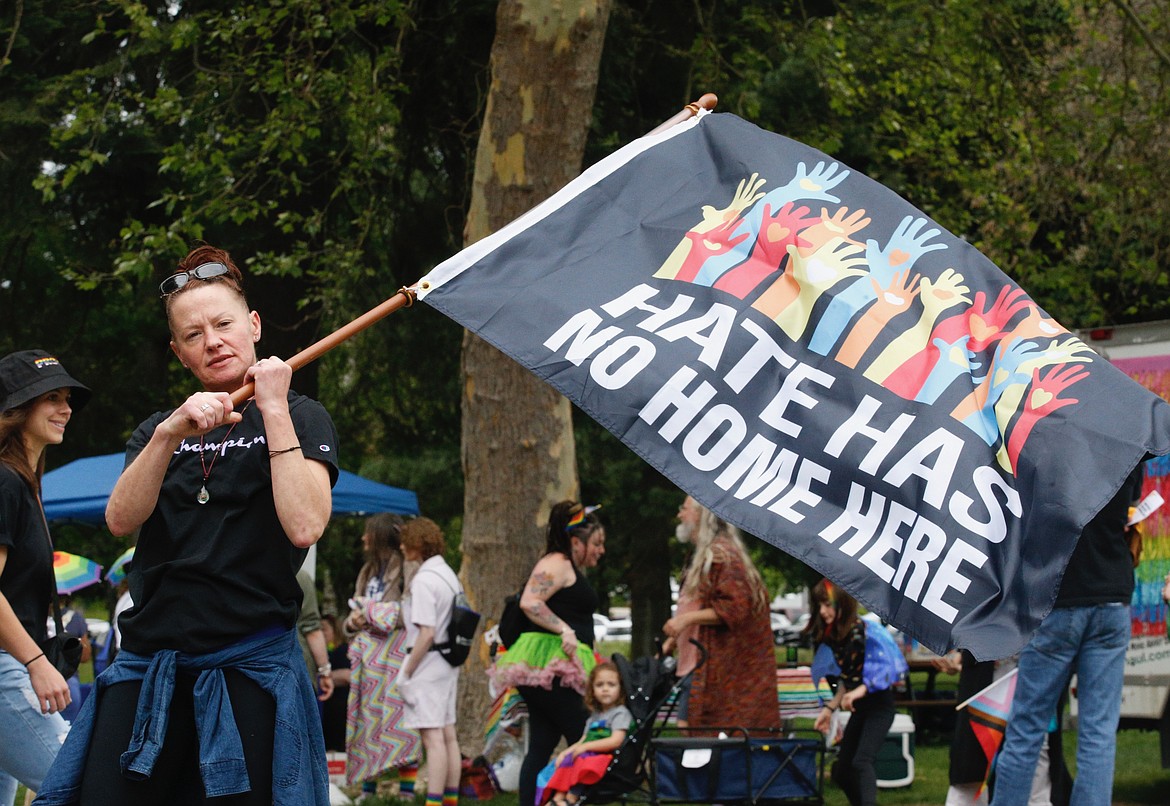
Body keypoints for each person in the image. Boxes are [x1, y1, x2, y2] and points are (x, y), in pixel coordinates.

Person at [35, 246, 340, 805]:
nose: (213, 341)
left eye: (223, 324)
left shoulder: (301, 415)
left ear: (252, 325)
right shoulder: (160, 429)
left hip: (247, 666)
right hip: (149, 663)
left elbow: (304, 525)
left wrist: (271, 407)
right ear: (179, 353)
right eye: (193, 334)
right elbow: (121, 521)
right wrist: (167, 433)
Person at [991, 463, 1144, 806]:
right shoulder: (1128, 440)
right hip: (1111, 597)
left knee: (1026, 728)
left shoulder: (1048, 440)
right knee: (1098, 733)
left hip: (1057, 597)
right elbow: (1130, 508)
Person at [0, 349, 89, 805]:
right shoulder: (5, 482)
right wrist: (36, 663)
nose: (66, 408)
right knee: (78, 788)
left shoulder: (25, 482)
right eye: (51, 397)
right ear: (15, 410)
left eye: (68, 397)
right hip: (5, 668)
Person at [489, 501, 606, 806]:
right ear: (575, 541)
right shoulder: (557, 563)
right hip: (548, 667)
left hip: (554, 668)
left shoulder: (566, 566)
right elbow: (530, 602)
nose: (600, 550)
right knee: (586, 735)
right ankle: (578, 799)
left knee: (542, 743)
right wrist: (564, 630)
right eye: (597, 543)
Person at [661, 495, 778, 734]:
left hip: (712, 667)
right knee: (688, 731)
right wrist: (675, 638)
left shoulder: (723, 556)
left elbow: (736, 607)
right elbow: (696, 604)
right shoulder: (702, 556)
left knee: (699, 734)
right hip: (695, 661)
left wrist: (685, 620)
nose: (679, 515)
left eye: (684, 509)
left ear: (702, 514)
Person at [343, 513, 420, 800]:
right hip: (368, 658)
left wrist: (373, 613)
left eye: (368, 533)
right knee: (368, 721)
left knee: (400, 720)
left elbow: (411, 611)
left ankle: (407, 792)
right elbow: (352, 612)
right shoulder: (367, 571)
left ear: (379, 536)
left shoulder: (406, 569)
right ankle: (368, 789)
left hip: (396, 656)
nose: (363, 538)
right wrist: (353, 622)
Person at [809, 579, 897, 806]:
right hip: (861, 709)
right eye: (820, 605)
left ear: (843, 604)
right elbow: (846, 679)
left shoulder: (864, 632)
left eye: (828, 605)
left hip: (879, 707)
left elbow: (885, 671)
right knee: (841, 771)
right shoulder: (836, 636)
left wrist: (858, 691)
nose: (823, 611)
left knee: (861, 762)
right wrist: (829, 709)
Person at [398, 517, 462, 806]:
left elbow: (426, 631)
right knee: (448, 734)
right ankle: (449, 799)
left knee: (432, 738)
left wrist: (407, 669)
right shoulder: (448, 574)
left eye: (405, 541)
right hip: (448, 660)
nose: (401, 546)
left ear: (416, 544)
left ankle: (434, 802)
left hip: (427, 660)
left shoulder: (424, 579)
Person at [538, 660, 632, 806]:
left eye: (611, 685)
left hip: (608, 757)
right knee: (567, 760)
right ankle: (558, 798)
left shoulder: (620, 713)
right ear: (592, 690)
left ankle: (571, 798)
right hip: (587, 755)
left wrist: (586, 747)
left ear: (620, 688)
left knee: (583, 761)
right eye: (600, 685)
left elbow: (616, 740)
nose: (605, 689)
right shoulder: (595, 716)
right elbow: (583, 739)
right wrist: (566, 752)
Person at [296, 568, 335, 703]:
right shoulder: (297, 575)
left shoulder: (237, 570)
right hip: (295, 669)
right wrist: (325, 672)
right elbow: (311, 628)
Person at [319, 614, 351, 752]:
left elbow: (347, 676)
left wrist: (324, 677)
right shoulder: (320, 655)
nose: (321, 633)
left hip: (340, 712)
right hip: (325, 712)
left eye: (324, 629)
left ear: (335, 630)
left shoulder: (343, 650)